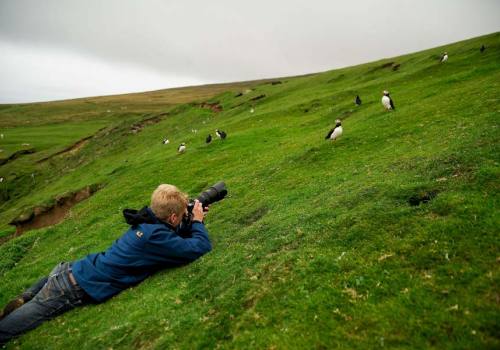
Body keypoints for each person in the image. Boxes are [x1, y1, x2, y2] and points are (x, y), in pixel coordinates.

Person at [0, 184, 211, 345]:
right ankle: (23, 306)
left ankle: (26, 296)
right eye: (182, 215)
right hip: (70, 288)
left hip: (69, 270)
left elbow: (168, 241)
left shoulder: (146, 223)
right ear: (173, 217)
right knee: (8, 330)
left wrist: (188, 223)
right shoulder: (154, 237)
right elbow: (198, 247)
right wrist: (197, 223)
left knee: (37, 296)